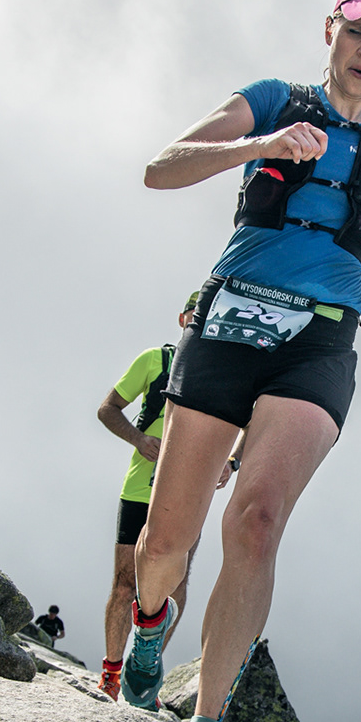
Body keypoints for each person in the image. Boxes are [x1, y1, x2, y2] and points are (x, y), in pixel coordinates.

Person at [124, 0, 361, 722]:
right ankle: (149, 626)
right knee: (167, 543)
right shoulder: (274, 100)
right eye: (356, 32)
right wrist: (262, 145)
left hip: (323, 332)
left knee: (257, 522)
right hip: (232, 316)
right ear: (330, 30)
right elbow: (161, 166)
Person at [95, 292, 240, 699]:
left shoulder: (229, 371)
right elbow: (108, 409)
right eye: (196, 314)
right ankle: (111, 674)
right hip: (141, 486)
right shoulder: (154, 360)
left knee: (175, 583)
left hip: (190, 490)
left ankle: (146, 675)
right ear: (183, 318)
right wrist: (139, 439)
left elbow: (250, 422)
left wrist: (232, 462)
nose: (202, 321)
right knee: (125, 583)